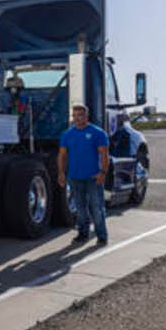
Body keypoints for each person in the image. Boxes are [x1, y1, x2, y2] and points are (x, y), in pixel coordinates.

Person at [58, 103, 111, 245]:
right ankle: (83, 234)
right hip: (74, 177)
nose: (77, 118)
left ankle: (102, 235)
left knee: (97, 207)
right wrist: (61, 173)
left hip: (93, 177)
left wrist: (103, 172)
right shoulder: (67, 134)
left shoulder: (97, 133)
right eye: (74, 115)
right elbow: (62, 156)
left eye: (80, 115)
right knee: (80, 209)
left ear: (86, 116)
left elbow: (105, 155)